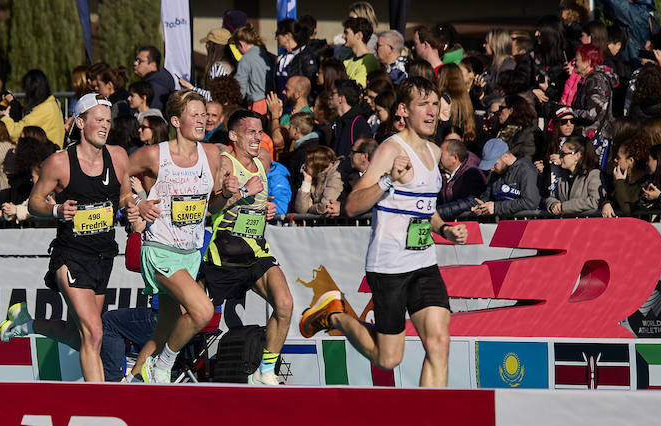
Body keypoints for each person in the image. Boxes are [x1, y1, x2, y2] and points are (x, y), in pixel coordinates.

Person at [298, 76, 469, 389]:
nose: (432, 112)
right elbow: (352, 205)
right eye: (423, 105)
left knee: (439, 343)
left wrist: (443, 227)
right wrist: (388, 181)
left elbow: (424, 208)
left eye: (434, 104)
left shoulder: (433, 152)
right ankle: (335, 314)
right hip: (389, 266)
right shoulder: (390, 150)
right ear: (404, 110)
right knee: (388, 358)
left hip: (424, 265)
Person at [0, 97, 130, 383]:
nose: (105, 126)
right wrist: (56, 210)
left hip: (103, 256)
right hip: (70, 255)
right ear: (80, 123)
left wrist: (133, 205)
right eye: (99, 119)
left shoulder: (118, 156)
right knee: (95, 333)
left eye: (108, 121)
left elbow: (123, 195)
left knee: (79, 334)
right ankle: (99, 407)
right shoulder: (59, 162)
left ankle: (27, 324)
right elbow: (33, 202)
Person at [122, 90, 228, 383]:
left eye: (204, 114)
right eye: (194, 114)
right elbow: (119, 173)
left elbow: (214, 206)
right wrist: (135, 203)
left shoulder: (212, 154)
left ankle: (131, 383)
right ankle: (164, 366)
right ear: (175, 120)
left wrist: (229, 195)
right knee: (202, 310)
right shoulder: (155, 154)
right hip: (160, 249)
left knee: (164, 330)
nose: (201, 120)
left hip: (190, 253)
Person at [199, 109, 293, 385]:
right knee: (192, 316)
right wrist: (238, 193)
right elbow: (210, 209)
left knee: (285, 304)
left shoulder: (263, 164)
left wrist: (267, 209)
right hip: (224, 254)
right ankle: (160, 362)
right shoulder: (225, 164)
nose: (257, 137)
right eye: (250, 131)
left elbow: (255, 206)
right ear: (233, 135)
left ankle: (265, 371)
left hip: (255, 253)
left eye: (260, 131)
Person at [132, 45, 176, 111]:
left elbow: (153, 114)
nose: (135, 63)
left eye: (140, 61)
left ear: (153, 64)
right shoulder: (157, 80)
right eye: (136, 60)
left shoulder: (157, 86)